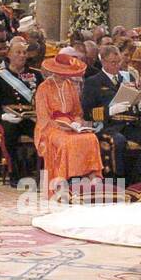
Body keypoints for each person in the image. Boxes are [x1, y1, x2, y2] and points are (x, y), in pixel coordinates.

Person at [82, 45, 141, 185]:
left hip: (130, 123)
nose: (117, 65)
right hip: (108, 125)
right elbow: (88, 113)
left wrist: (140, 104)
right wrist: (110, 110)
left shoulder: (128, 77)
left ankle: (138, 179)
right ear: (103, 62)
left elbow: (134, 98)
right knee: (118, 142)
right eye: (113, 62)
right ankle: (117, 181)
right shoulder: (93, 82)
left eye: (118, 62)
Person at [35, 49, 103, 197]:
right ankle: (62, 180)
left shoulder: (70, 86)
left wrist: (77, 123)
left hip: (71, 124)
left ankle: (92, 176)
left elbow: (77, 112)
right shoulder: (43, 88)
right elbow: (43, 117)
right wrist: (60, 125)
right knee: (66, 142)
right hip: (49, 128)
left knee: (91, 138)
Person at [0, 37, 41, 186]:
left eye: (24, 52)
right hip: (8, 118)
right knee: (9, 135)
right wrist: (3, 116)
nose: (22, 55)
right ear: (9, 55)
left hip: (30, 118)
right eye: (18, 52)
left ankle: (39, 169)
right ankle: (14, 172)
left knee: (44, 133)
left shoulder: (36, 75)